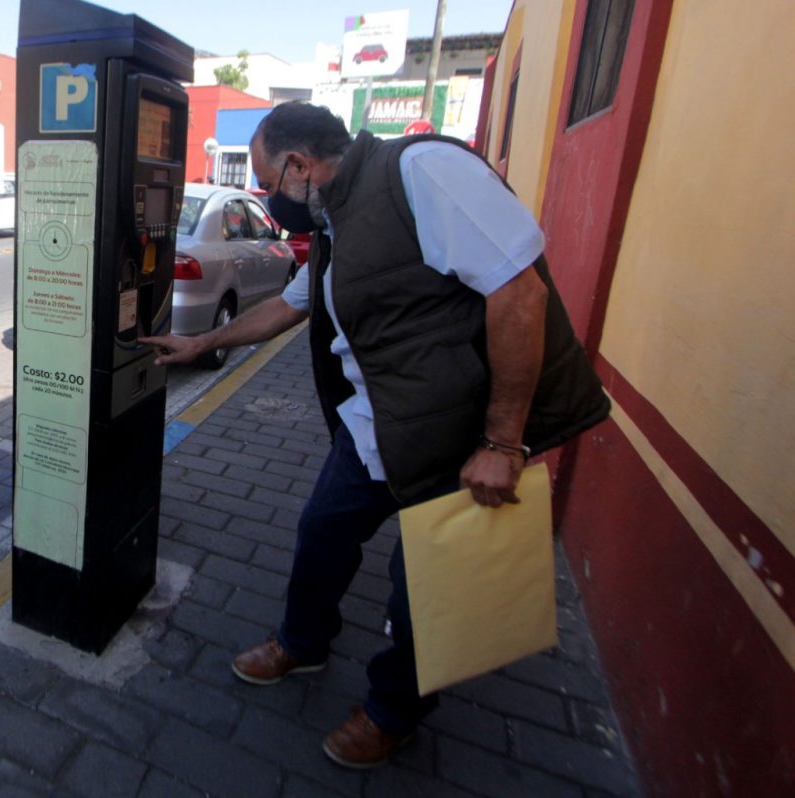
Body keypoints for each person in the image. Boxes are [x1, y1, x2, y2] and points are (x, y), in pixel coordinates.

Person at [141, 102, 608, 769]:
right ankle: (302, 644)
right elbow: (289, 306)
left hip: (455, 438)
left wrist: (503, 443)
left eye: (269, 183)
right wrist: (202, 344)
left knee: (421, 586)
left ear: (300, 166)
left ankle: (393, 712)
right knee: (321, 534)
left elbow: (520, 293)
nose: (271, 199)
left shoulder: (422, 172)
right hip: (373, 430)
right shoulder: (334, 220)